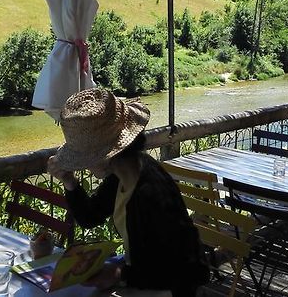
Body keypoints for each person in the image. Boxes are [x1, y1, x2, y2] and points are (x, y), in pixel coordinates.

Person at [47, 88, 210, 297]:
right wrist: (69, 183)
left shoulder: (151, 193)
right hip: (143, 280)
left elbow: (189, 270)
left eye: (84, 159)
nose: (83, 166)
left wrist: (120, 273)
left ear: (106, 157)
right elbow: (90, 216)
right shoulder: (122, 175)